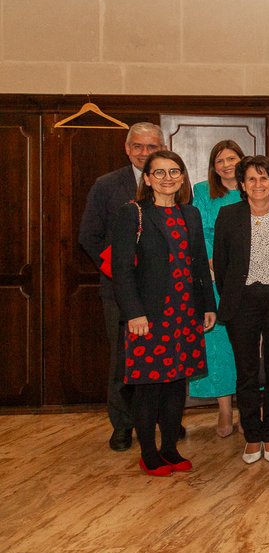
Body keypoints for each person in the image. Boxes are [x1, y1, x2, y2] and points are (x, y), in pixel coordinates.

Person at [111, 150, 216, 476]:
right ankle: (149, 454)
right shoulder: (134, 214)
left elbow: (199, 265)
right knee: (149, 386)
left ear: (183, 178)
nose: (167, 178)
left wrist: (208, 305)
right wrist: (134, 313)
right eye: (159, 173)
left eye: (174, 172)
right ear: (147, 178)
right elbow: (122, 270)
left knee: (175, 385)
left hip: (185, 314)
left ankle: (170, 449)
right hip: (150, 317)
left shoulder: (191, 215)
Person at [78, 122, 164, 452]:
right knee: (122, 361)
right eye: (139, 147)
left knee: (161, 356)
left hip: (162, 291)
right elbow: (90, 236)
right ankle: (123, 425)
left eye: (152, 147)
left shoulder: (169, 182)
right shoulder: (107, 185)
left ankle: (162, 420)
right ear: (127, 149)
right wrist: (123, 272)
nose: (145, 153)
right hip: (117, 291)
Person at [212, 155, 269, 466]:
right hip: (242, 301)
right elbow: (221, 265)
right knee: (246, 371)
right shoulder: (228, 216)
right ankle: (251, 434)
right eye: (251, 179)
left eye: (264, 179)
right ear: (243, 186)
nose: (257, 184)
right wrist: (231, 295)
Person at [189, 139, 245, 438]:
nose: (226, 165)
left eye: (232, 158)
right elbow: (196, 232)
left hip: (248, 278)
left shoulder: (254, 188)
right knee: (219, 347)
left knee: (248, 343)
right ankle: (225, 409)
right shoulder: (201, 192)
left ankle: (248, 407)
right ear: (213, 166)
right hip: (213, 278)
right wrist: (215, 263)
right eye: (220, 160)